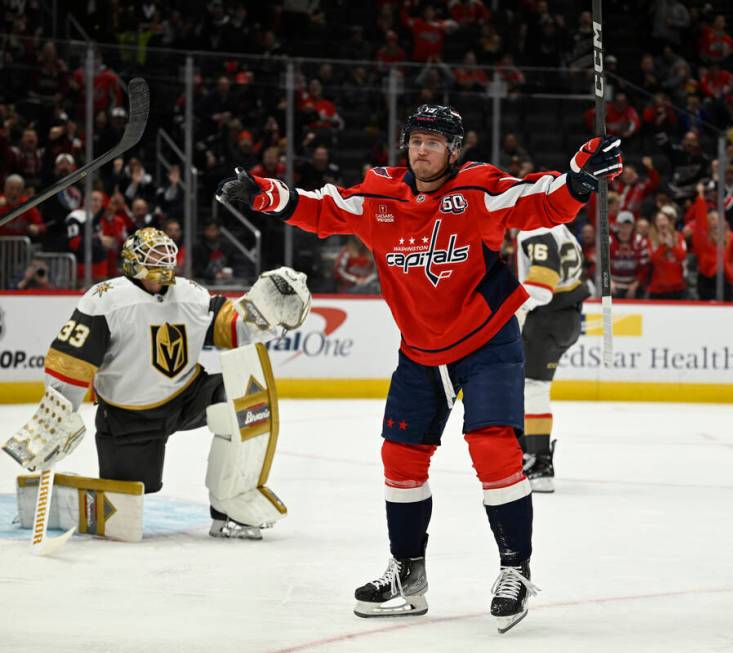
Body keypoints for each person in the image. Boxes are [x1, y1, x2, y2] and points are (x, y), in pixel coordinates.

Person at [216, 104, 622, 632]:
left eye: (433, 142)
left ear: (455, 151)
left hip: (488, 340)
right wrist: (264, 194)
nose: (421, 150)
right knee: (399, 457)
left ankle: (514, 571)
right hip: (421, 352)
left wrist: (578, 179)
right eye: (415, 141)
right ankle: (407, 573)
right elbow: (323, 208)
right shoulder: (380, 195)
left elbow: (539, 202)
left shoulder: (478, 190)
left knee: (492, 446)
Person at [4, 227, 311, 541]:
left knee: (241, 396)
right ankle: (63, 497)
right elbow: (70, 361)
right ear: (132, 261)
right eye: (154, 255)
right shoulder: (105, 300)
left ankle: (229, 510)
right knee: (125, 507)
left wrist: (266, 315)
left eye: (167, 255)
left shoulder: (191, 294)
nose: (163, 262)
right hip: (128, 417)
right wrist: (58, 415)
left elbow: (231, 330)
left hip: (188, 397)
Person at [514, 223, 589, 493]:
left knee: (532, 387)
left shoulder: (534, 228)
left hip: (547, 317)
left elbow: (542, 283)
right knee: (530, 386)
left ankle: (539, 463)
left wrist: (516, 308)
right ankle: (530, 455)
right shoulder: (564, 229)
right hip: (568, 315)